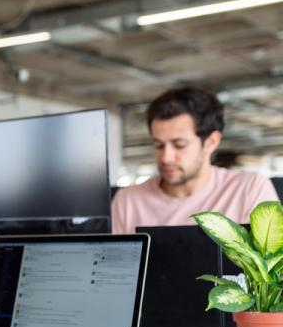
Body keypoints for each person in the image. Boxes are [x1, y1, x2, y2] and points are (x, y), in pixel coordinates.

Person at [112, 87, 277, 234]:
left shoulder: (249, 189)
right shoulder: (128, 201)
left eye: (179, 145)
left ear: (211, 142)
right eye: (159, 145)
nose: (166, 157)